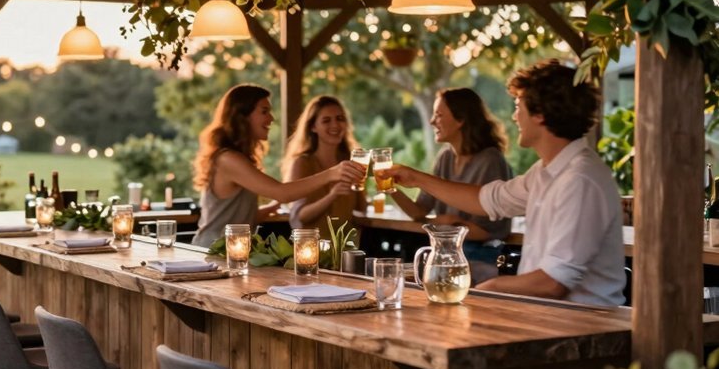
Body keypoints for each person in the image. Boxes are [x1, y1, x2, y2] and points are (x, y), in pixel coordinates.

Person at [378, 60, 625, 306]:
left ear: (540, 114)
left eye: (518, 106)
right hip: (546, 321)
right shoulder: (544, 172)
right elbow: (486, 200)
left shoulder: (579, 180)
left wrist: (486, 289)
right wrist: (416, 178)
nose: (514, 116)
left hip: (583, 331)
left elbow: (552, 284)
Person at [191, 85, 365, 247]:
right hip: (210, 254)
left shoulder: (237, 158)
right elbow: (282, 193)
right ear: (242, 116)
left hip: (231, 251)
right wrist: (331, 174)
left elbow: (236, 219)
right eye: (264, 111)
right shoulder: (228, 159)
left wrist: (267, 210)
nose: (271, 118)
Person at [390, 88, 512, 265]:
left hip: (480, 256)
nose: (432, 121)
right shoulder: (445, 157)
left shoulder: (490, 160)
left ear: (461, 119)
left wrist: (447, 223)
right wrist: (389, 187)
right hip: (447, 253)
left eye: (438, 115)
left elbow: (488, 232)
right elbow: (419, 212)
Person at [281, 95, 366, 236]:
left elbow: (361, 208)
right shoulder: (302, 163)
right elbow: (300, 216)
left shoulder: (350, 162)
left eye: (340, 119)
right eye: (326, 120)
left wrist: (368, 182)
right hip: (312, 249)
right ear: (313, 127)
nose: (335, 125)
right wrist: (332, 196)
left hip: (344, 249)